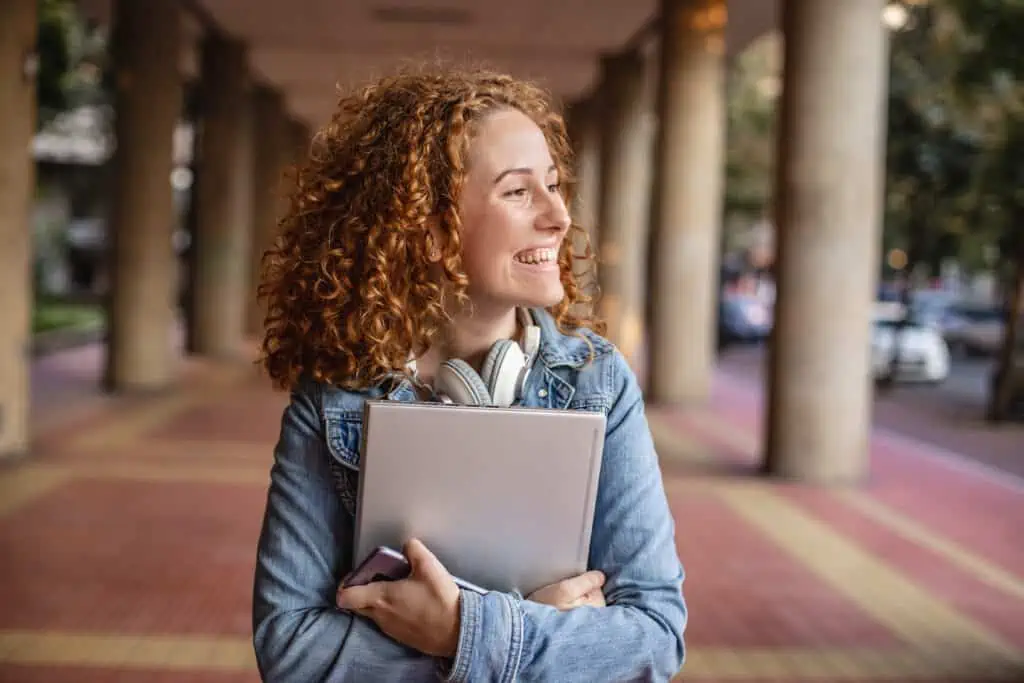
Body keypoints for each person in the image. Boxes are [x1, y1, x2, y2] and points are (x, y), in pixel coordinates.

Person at [251, 66, 687, 682]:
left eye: (554, 185)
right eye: (518, 192)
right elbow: (292, 650)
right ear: (430, 230)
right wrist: (528, 633)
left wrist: (460, 630)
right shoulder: (334, 396)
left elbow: (654, 638)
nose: (559, 216)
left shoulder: (599, 381)